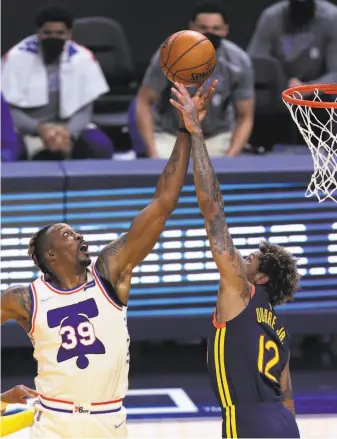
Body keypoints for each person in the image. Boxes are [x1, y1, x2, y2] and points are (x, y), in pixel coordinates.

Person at [0, 80, 217, 439]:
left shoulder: (110, 274)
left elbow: (162, 204)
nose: (80, 236)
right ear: (50, 255)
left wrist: (186, 130)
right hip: (52, 422)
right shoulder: (23, 298)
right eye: (68, 234)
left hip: (108, 422)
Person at [170, 82, 301, 438]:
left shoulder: (241, 293)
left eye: (250, 259)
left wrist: (196, 133)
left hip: (248, 422)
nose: (240, 258)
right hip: (284, 424)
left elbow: (212, 210)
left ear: (259, 280)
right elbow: (287, 398)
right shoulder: (281, 332)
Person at [136, 2, 254, 158]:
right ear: (191, 27)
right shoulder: (169, 54)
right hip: (172, 135)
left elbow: (245, 115)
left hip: (217, 137)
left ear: (225, 30)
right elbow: (144, 102)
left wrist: (231, 156)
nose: (209, 33)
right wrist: (153, 154)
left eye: (216, 29)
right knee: (164, 175)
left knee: (221, 178)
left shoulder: (239, 62)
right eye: (203, 28)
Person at [1, 6, 113, 161]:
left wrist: (68, 133)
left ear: (69, 34)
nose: (53, 37)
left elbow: (85, 109)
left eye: (60, 33)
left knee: (100, 146)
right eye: (47, 33)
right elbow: (7, 110)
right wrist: (39, 129)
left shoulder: (83, 58)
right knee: (10, 153)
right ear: (38, 33)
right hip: (27, 129)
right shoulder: (16, 58)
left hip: (68, 129)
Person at [248, 0, 337, 88]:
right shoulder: (271, 18)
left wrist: (307, 88)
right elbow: (254, 65)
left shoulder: (331, 18)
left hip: (321, 94)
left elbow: (335, 74)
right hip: (279, 91)